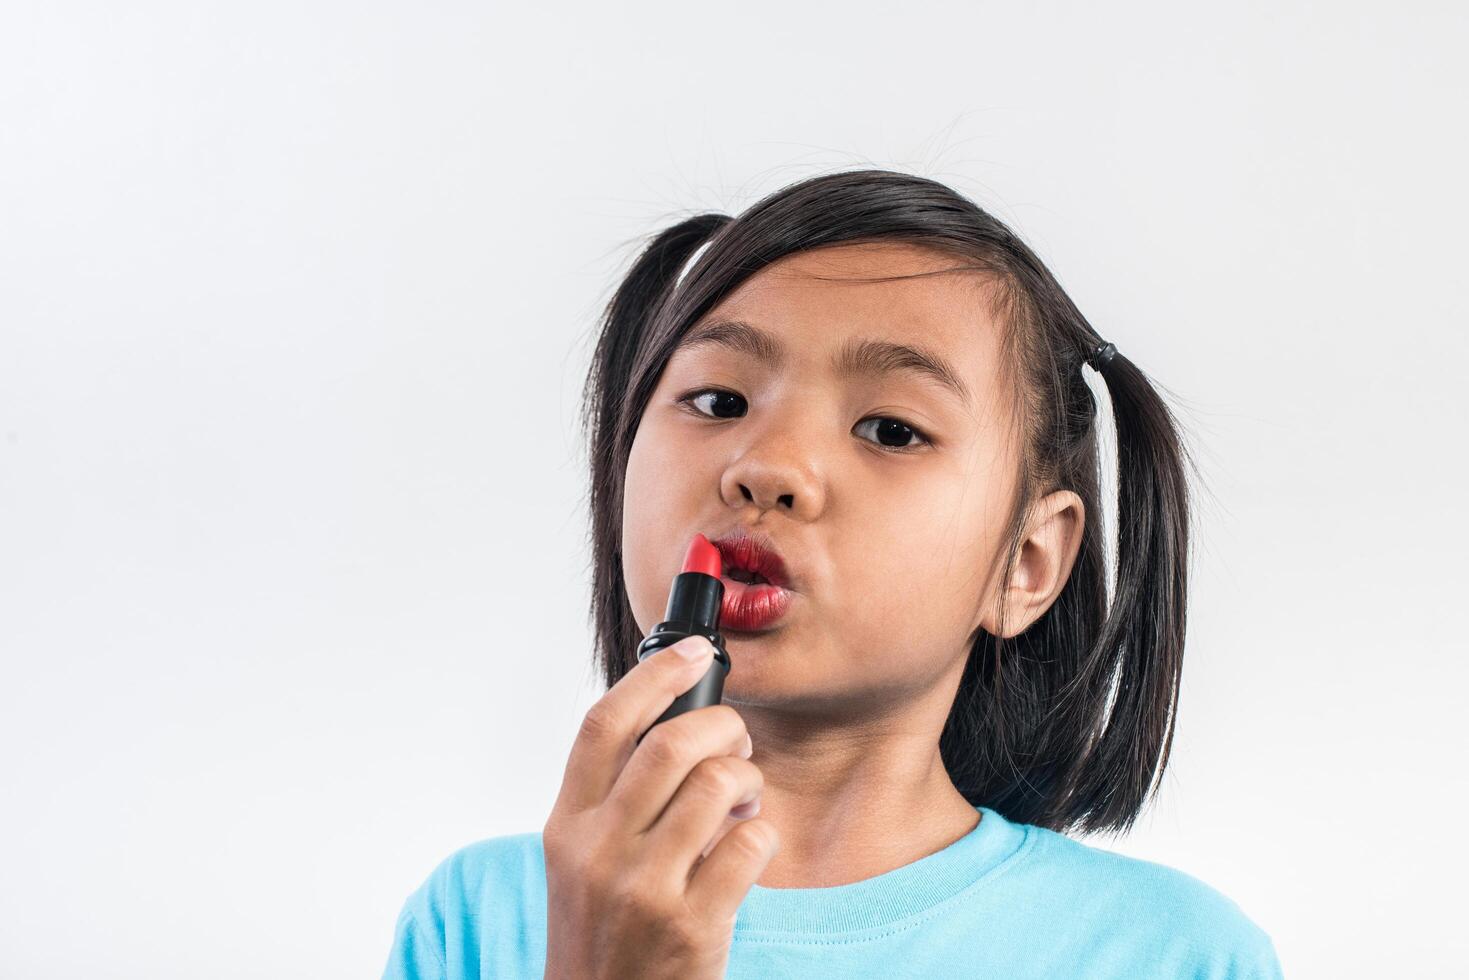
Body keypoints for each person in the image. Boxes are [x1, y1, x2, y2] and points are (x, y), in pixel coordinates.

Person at [380, 169, 1284, 978]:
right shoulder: (481, 922)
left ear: (1025, 562)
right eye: (717, 400)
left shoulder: (1170, 955)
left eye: (891, 429)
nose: (764, 467)